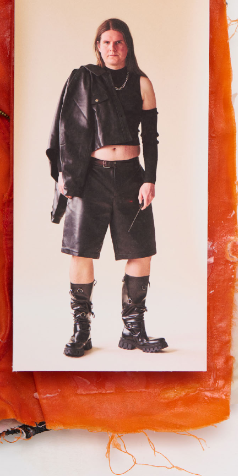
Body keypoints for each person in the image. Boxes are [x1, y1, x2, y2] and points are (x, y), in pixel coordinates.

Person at [47, 18, 168, 358]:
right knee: (81, 251)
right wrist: (65, 172)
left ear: (128, 46)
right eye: (106, 42)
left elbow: (151, 138)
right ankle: (81, 331)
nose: (112, 48)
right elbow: (67, 128)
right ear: (98, 47)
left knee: (140, 250)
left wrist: (150, 178)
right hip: (91, 178)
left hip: (131, 177)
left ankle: (133, 330)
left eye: (118, 42)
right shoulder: (83, 79)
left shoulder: (142, 83)